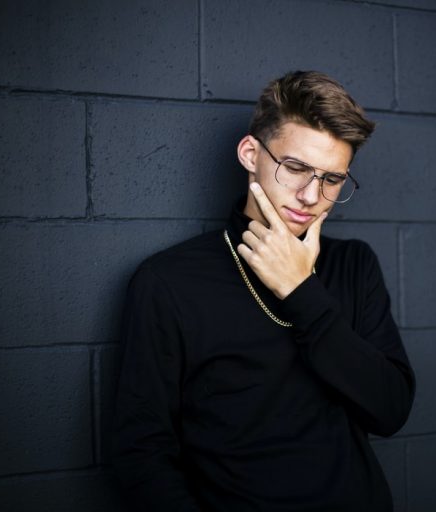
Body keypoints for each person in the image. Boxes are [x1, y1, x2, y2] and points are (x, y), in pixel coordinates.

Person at [112, 70, 415, 512]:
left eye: (332, 179)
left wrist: (302, 292)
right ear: (251, 154)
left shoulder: (354, 265)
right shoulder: (169, 282)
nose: (310, 195)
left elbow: (390, 411)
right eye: (295, 168)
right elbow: (141, 452)